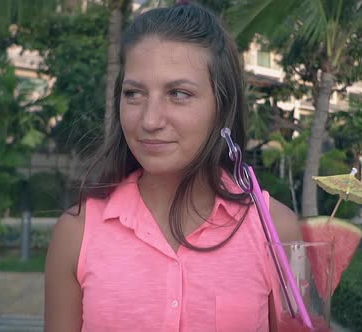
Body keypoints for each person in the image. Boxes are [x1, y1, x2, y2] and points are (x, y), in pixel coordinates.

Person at [44, 3, 301, 331]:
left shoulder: (276, 231)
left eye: (178, 93)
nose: (150, 120)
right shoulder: (76, 234)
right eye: (134, 94)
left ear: (221, 105)